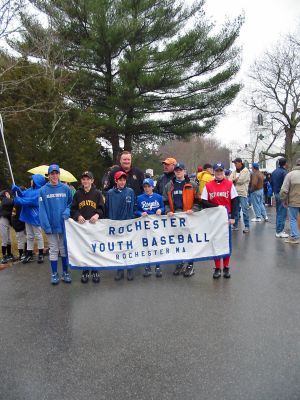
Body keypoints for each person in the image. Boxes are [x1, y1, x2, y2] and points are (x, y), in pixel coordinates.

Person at [201, 162, 238, 279]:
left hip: (226, 218)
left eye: (221, 171)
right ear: (214, 172)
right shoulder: (208, 185)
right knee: (215, 242)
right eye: (217, 171)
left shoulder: (229, 184)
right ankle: (217, 268)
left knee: (226, 243)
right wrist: (216, 207)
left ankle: (226, 267)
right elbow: (203, 201)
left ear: (223, 172)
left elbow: (235, 201)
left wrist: (234, 217)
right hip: (214, 218)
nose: (219, 173)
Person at [163, 162, 200, 277]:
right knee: (177, 240)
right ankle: (179, 262)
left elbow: (198, 201)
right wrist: (168, 210)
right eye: (177, 170)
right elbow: (165, 201)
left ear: (184, 171)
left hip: (188, 216)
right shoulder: (169, 185)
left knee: (189, 240)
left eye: (180, 170)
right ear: (174, 171)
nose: (178, 172)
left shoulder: (192, 185)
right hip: (175, 216)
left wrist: (193, 209)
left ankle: (190, 264)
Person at [39, 164, 73, 285]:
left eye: (56, 173)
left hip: (64, 225)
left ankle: (65, 272)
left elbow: (71, 204)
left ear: (59, 174)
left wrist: (67, 211)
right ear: (48, 175)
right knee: (53, 249)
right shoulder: (43, 190)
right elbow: (41, 210)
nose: (54, 175)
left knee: (64, 249)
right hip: (51, 226)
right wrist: (46, 226)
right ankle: (54, 273)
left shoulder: (66, 188)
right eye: (52, 173)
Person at [71, 171, 105, 284]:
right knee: (84, 248)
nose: (85, 181)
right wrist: (78, 216)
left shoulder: (97, 193)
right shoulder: (77, 194)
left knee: (94, 247)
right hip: (82, 227)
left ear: (92, 181)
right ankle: (85, 270)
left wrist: (97, 214)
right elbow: (73, 209)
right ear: (81, 181)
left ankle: (95, 270)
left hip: (94, 225)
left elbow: (102, 208)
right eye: (83, 179)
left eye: (88, 179)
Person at [105, 170, 135, 281]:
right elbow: (107, 208)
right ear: (115, 181)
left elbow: (133, 206)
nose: (122, 182)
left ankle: (130, 268)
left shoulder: (130, 191)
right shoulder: (110, 193)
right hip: (115, 225)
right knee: (119, 247)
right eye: (120, 180)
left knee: (129, 247)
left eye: (124, 180)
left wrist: (131, 219)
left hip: (128, 224)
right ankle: (120, 269)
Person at [12, 174, 46, 264]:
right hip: (27, 216)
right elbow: (23, 195)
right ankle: (29, 254)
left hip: (35, 216)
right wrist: (17, 190)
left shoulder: (40, 191)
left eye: (32, 180)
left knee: (38, 235)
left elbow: (32, 201)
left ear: (37, 182)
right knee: (29, 236)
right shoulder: (29, 190)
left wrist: (19, 200)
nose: (31, 181)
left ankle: (41, 254)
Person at [136, 178, 165, 278]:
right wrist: (140, 213)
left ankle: (157, 266)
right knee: (146, 245)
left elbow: (163, 207)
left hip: (156, 224)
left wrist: (160, 210)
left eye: (149, 186)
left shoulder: (159, 197)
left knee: (156, 243)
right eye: (145, 186)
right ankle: (147, 266)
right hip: (145, 225)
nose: (147, 188)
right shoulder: (139, 198)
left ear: (152, 187)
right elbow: (136, 210)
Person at [280, 158, 300, 244]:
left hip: (294, 201)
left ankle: (295, 237)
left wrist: (283, 199)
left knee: (293, 219)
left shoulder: (290, 175)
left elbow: (284, 190)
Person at [230, 157, 251, 233]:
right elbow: (229, 180)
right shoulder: (235, 171)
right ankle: (235, 225)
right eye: (234, 163)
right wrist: (234, 180)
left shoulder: (245, 171)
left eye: (236, 163)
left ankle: (247, 226)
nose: (235, 165)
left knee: (245, 210)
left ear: (240, 163)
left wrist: (234, 180)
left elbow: (241, 181)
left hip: (243, 193)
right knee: (235, 210)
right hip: (235, 193)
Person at [271, 158, 288, 238]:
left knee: (279, 212)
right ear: (285, 163)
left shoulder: (274, 172)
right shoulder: (284, 172)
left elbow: (271, 182)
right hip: (282, 194)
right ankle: (279, 231)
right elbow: (286, 184)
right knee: (282, 213)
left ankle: (279, 230)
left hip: (276, 193)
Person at [0, 189, 15, 263]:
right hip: (3, 220)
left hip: (8, 221)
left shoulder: (7, 200)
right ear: (5, 194)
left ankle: (9, 254)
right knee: (5, 239)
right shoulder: (4, 200)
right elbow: (12, 202)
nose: (9, 194)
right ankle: (4, 256)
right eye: (8, 193)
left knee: (9, 239)